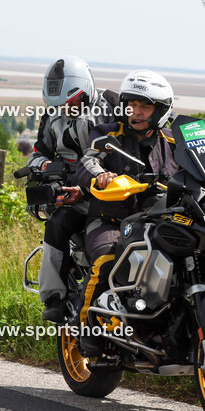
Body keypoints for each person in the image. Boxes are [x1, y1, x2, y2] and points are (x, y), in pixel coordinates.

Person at [74, 70, 179, 355]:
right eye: (131, 104)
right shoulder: (109, 133)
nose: (137, 112)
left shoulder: (173, 141)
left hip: (159, 222)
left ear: (161, 110)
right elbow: (87, 162)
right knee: (109, 257)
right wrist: (102, 175)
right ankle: (86, 327)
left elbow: (198, 168)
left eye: (145, 106)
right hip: (112, 220)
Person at [27, 56, 119, 322]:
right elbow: (36, 154)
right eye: (59, 105)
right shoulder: (53, 116)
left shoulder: (114, 106)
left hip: (112, 191)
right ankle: (53, 298)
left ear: (86, 92)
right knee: (57, 223)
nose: (66, 109)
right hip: (74, 195)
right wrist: (46, 166)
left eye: (71, 103)